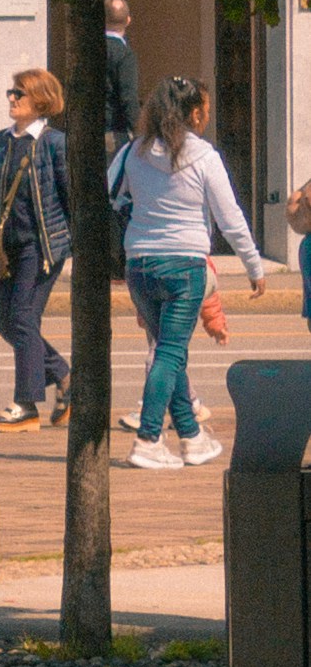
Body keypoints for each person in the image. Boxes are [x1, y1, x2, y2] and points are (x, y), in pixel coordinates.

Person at [111, 76, 264, 469]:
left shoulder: (134, 151)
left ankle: (192, 437)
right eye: (206, 109)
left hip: (139, 263)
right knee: (170, 352)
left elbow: (111, 194)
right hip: (184, 265)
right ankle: (148, 438)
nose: (208, 116)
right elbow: (230, 219)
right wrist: (253, 266)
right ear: (195, 113)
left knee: (168, 350)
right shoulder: (205, 157)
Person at [0, 68, 72, 428]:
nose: (13, 99)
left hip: (42, 245)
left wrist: (67, 243)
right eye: (11, 93)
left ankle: (26, 405)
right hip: (8, 247)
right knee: (7, 323)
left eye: (20, 93)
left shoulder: (53, 143)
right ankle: (65, 376)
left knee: (23, 318)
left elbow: (69, 196)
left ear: (41, 100)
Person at [105, 0, 141, 156]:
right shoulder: (124, 55)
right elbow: (128, 97)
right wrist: (140, 132)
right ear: (128, 20)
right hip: (114, 132)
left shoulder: (87, 51)